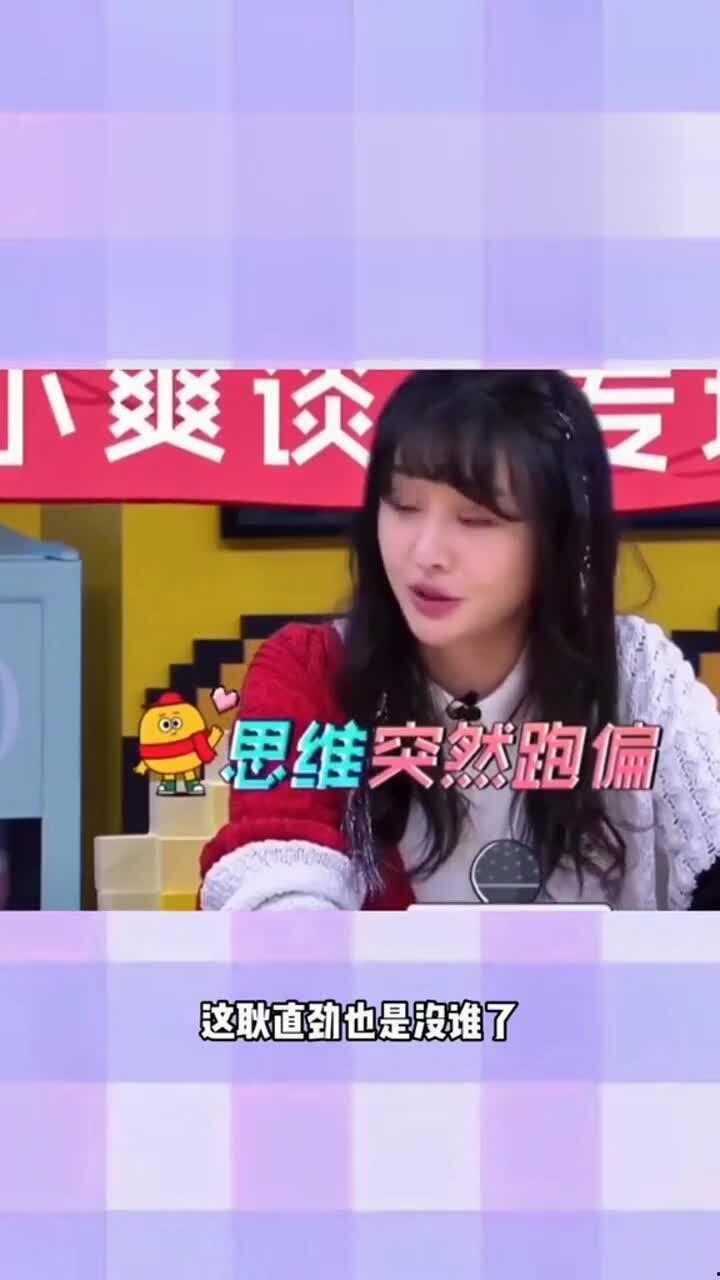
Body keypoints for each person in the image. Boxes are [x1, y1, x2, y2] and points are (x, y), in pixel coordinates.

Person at [200, 370, 720, 911]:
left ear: (561, 536)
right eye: (403, 505)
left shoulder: (635, 671)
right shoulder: (310, 671)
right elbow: (279, 890)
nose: (426, 553)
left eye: (476, 519)